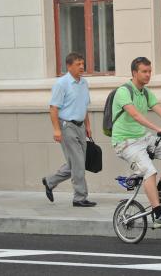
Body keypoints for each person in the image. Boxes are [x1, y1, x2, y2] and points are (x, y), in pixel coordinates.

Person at [112, 57, 161, 228]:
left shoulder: (146, 93)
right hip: (125, 143)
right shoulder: (123, 92)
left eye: (149, 71)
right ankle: (158, 214)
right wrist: (157, 129)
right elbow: (135, 115)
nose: (148, 75)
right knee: (149, 171)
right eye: (144, 71)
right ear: (134, 73)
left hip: (143, 138)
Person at [42, 52, 96, 207]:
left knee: (77, 163)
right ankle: (80, 198)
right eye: (78, 64)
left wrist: (88, 126)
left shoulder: (84, 83)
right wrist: (57, 130)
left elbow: (84, 105)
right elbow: (53, 108)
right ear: (69, 66)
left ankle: (50, 181)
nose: (82, 67)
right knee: (78, 163)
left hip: (80, 126)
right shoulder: (61, 84)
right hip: (67, 127)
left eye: (82, 63)